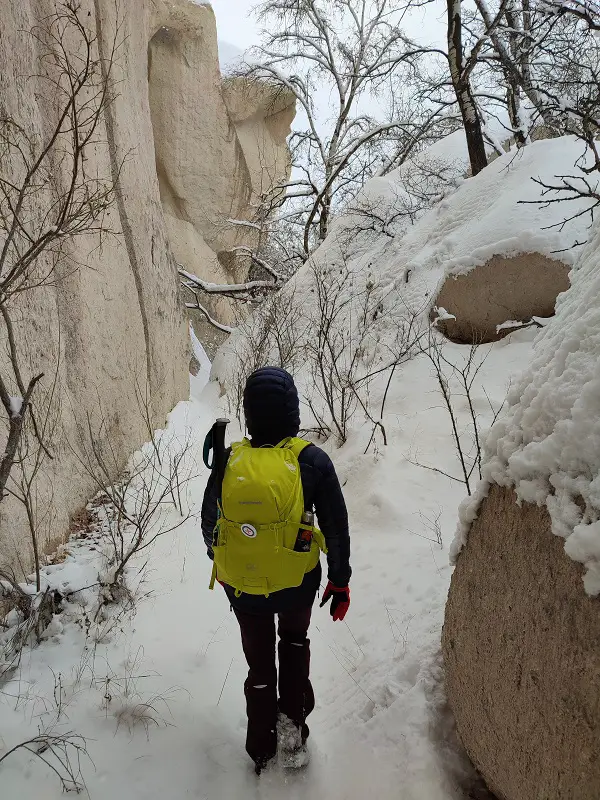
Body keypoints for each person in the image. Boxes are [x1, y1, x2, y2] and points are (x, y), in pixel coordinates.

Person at [201, 366, 351, 774]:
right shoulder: (311, 460)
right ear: (292, 413)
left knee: (259, 662)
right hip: (298, 581)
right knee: (294, 641)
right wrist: (340, 581)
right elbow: (336, 527)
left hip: (245, 588)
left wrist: (230, 567)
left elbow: (209, 522)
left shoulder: (230, 459)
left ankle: (260, 744)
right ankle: (293, 728)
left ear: (248, 412)